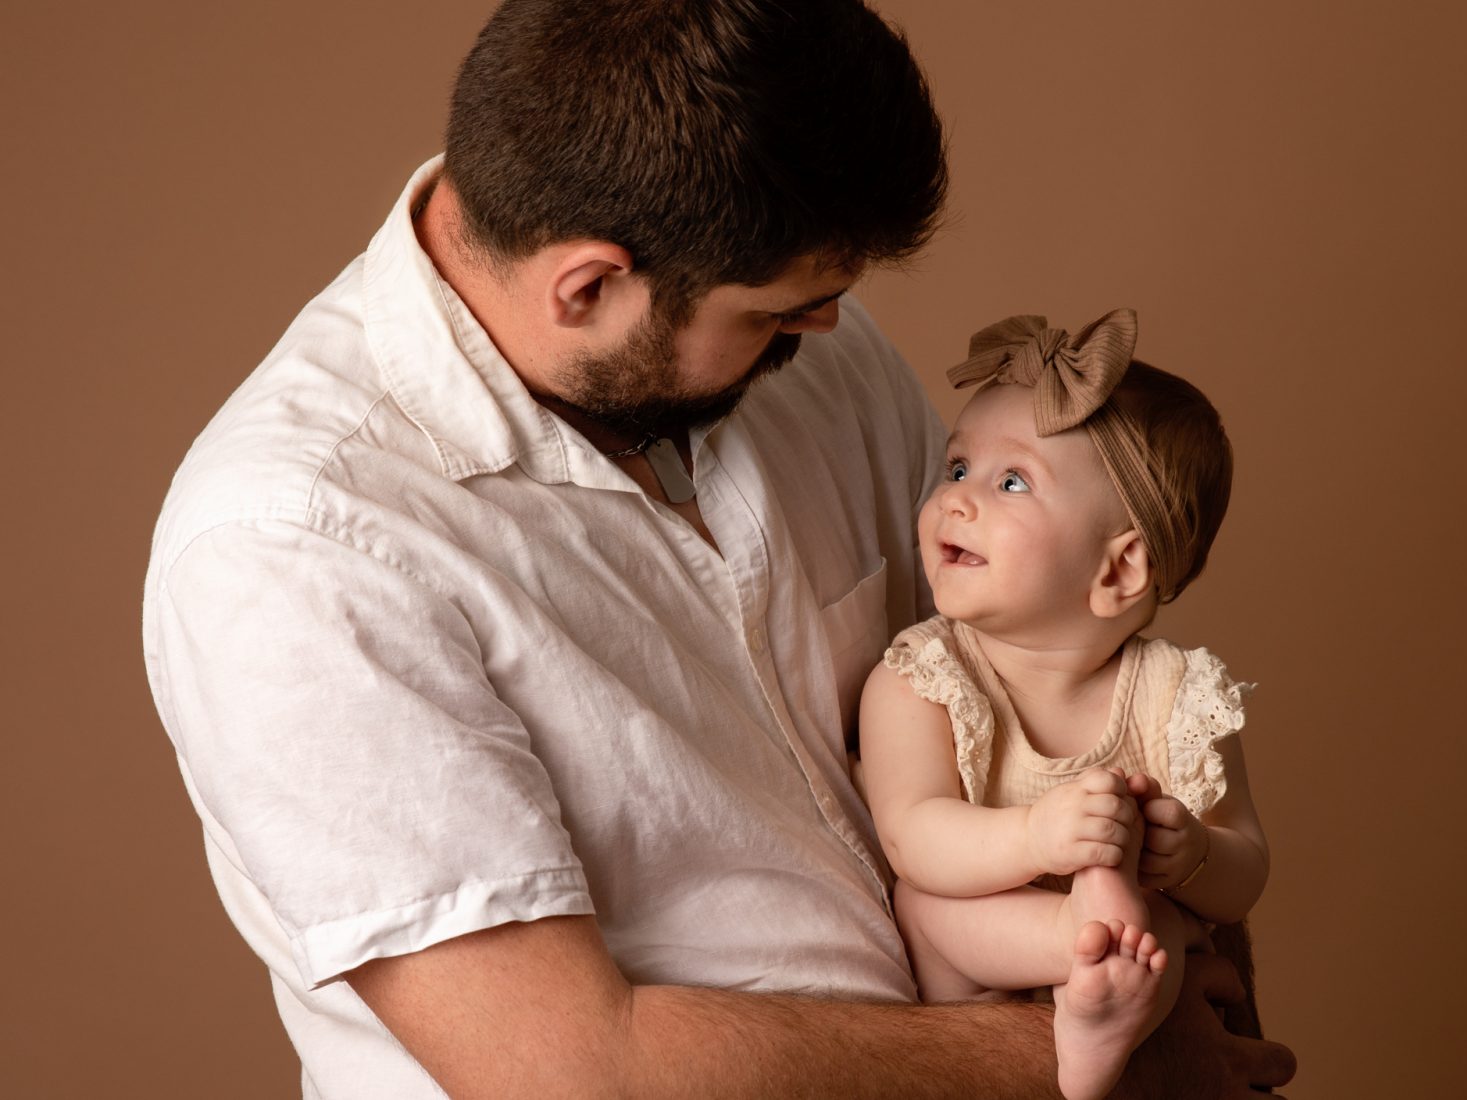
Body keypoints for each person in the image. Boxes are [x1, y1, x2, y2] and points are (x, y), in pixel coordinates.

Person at [141, 2, 1295, 1095]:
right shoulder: (297, 547)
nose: (826, 329)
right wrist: (1089, 1062)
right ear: (589, 283)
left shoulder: (810, 355)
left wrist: (1200, 993)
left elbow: (1057, 669)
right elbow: (573, 1069)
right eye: (778, 312)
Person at [860, 310, 1271, 1099]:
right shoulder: (925, 678)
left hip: (1140, 969)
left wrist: (1191, 854)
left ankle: (1102, 1003)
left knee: (1152, 924)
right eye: (956, 469)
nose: (958, 500)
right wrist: (1038, 837)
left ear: (1119, 571)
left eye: (1009, 482)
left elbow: (1245, 865)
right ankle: (1090, 954)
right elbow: (913, 834)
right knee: (928, 898)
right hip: (972, 978)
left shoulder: (1179, 696)